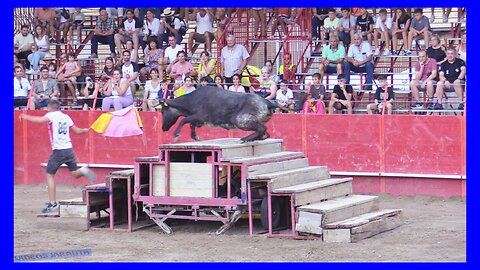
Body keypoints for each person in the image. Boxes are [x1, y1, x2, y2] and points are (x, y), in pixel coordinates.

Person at [19, 99, 96, 213]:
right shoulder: (66, 117)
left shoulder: (51, 115)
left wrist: (25, 117)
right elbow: (77, 131)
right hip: (69, 149)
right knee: (75, 173)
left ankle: (52, 203)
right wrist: (85, 130)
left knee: (49, 175)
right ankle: (83, 170)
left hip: (58, 151)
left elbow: (40, 120)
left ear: (50, 108)